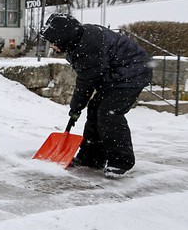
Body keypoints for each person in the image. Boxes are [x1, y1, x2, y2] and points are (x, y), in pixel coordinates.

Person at [40, 13, 152, 178]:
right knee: (94, 110)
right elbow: (88, 78)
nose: (52, 46)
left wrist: (76, 108)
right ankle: (91, 157)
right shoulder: (78, 41)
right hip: (115, 76)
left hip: (133, 74)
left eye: (54, 42)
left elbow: (85, 83)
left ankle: (121, 161)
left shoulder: (88, 47)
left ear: (64, 37)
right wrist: (78, 108)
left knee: (109, 113)